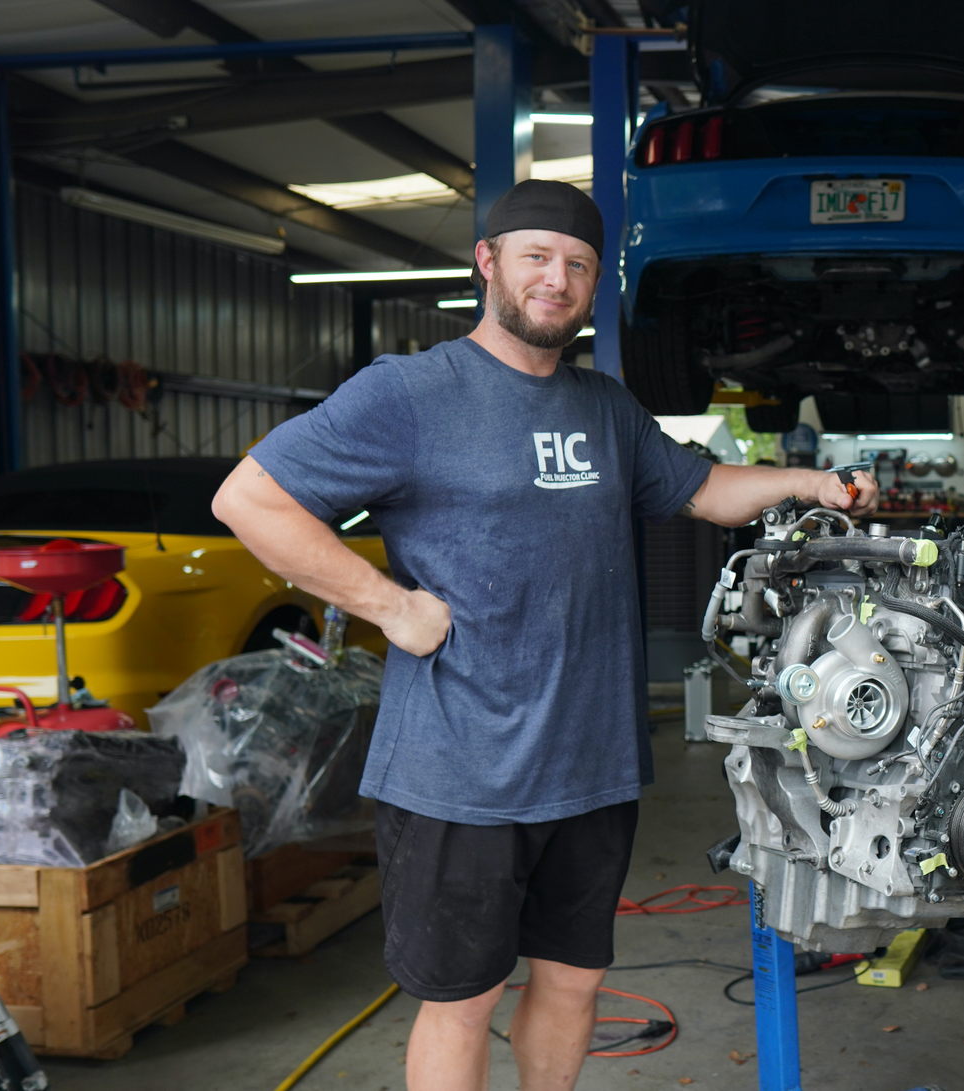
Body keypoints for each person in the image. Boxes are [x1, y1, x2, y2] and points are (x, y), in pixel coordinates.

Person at [211, 179, 878, 1091]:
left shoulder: (605, 407)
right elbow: (249, 498)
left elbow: (706, 489)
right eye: (535, 257)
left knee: (574, 980)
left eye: (577, 265)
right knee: (462, 999)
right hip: (458, 772)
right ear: (486, 263)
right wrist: (393, 607)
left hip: (589, 765)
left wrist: (806, 483)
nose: (555, 278)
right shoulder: (411, 393)